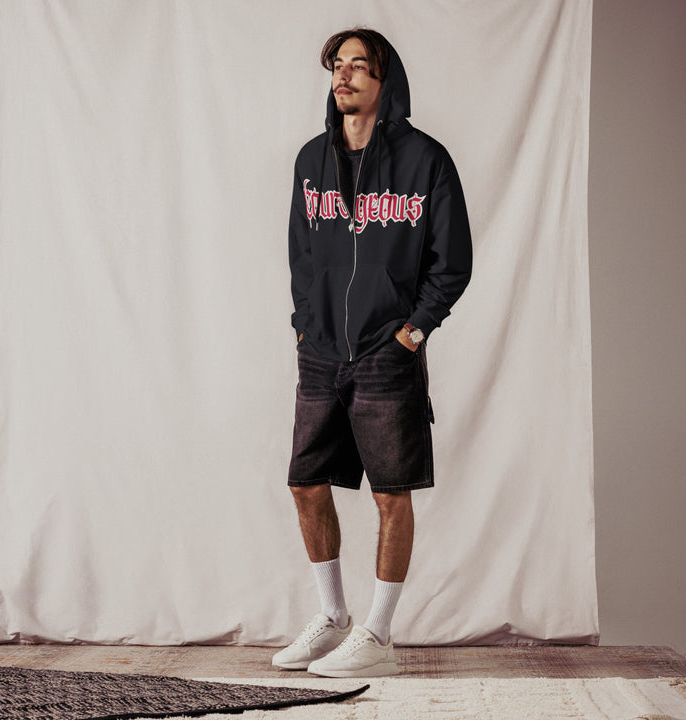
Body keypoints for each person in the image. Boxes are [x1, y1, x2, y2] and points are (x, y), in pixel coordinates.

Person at [273, 28, 472, 678]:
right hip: (321, 353)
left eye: (360, 65)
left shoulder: (425, 160)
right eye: (338, 64)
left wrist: (414, 330)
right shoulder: (311, 160)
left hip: (387, 351)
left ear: (387, 81)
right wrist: (305, 326)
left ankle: (378, 635)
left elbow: (453, 261)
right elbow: (302, 255)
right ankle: (332, 618)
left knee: (391, 494)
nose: (344, 75)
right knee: (306, 483)